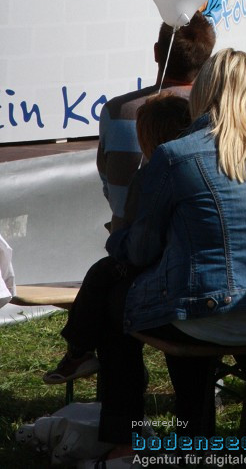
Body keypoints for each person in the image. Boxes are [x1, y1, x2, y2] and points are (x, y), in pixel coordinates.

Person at [90, 49, 246, 461]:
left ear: (203, 92)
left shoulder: (175, 156)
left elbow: (141, 250)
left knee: (117, 301)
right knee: (197, 311)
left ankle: (125, 436)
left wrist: (116, 242)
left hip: (205, 314)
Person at [43, 92, 191, 386]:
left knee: (104, 275)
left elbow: (140, 250)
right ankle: (82, 353)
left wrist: (118, 237)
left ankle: (81, 353)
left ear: (146, 138)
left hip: (166, 274)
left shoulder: (153, 175)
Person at [97, 10, 215, 231]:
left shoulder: (117, 111)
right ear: (207, 63)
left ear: (156, 52)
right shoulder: (216, 112)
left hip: (126, 238)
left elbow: (110, 188)